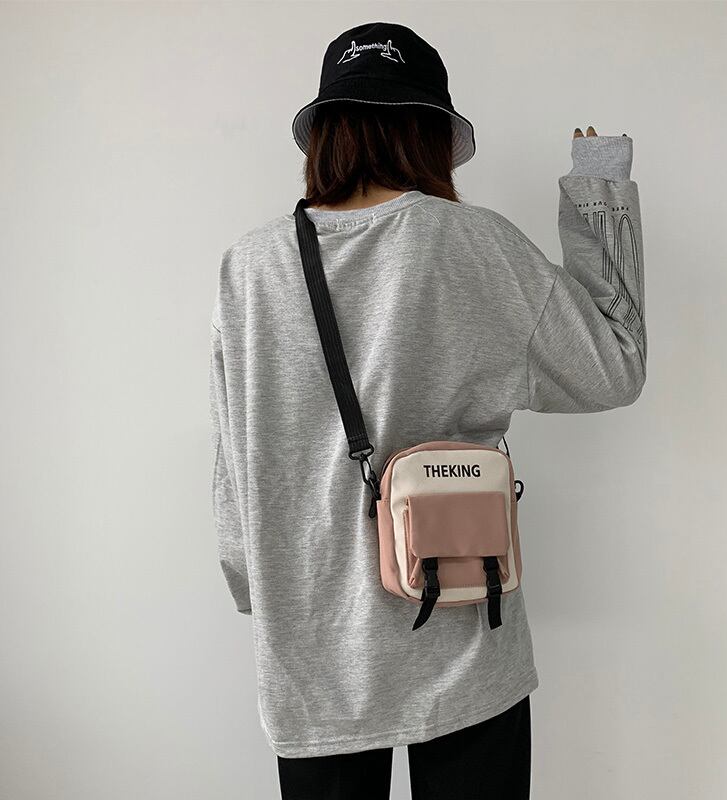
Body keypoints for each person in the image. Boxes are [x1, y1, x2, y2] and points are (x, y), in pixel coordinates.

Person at [208, 20, 646, 800]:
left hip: (311, 649)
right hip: (465, 625)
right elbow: (614, 367)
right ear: (431, 134)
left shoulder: (249, 267)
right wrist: (599, 188)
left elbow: (233, 472)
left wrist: (260, 588)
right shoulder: (476, 244)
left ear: (327, 132)